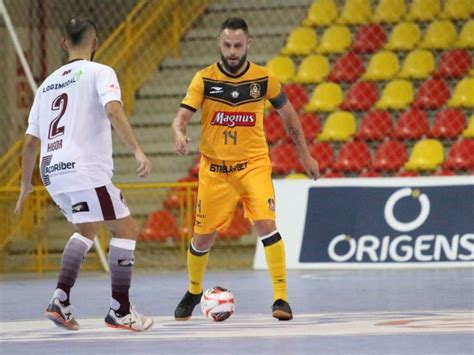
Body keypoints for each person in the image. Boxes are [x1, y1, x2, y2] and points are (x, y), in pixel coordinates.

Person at [171, 17, 319, 321]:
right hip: (214, 170)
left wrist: (305, 155)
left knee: (267, 223)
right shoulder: (204, 79)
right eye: (227, 45)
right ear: (219, 43)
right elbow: (182, 116)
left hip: (253, 165)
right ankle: (194, 289)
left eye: (238, 45)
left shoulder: (263, 79)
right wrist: (178, 131)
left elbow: (289, 117)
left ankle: (281, 297)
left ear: (248, 44)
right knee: (202, 237)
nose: (233, 51)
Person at [14, 16, 153, 331]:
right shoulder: (100, 72)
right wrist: (137, 150)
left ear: (63, 43)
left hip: (52, 173)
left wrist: (25, 183)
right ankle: (120, 310)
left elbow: (30, 141)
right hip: (84, 170)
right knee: (128, 230)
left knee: (87, 229)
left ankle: (60, 300)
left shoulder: (46, 85)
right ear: (96, 41)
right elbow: (113, 109)